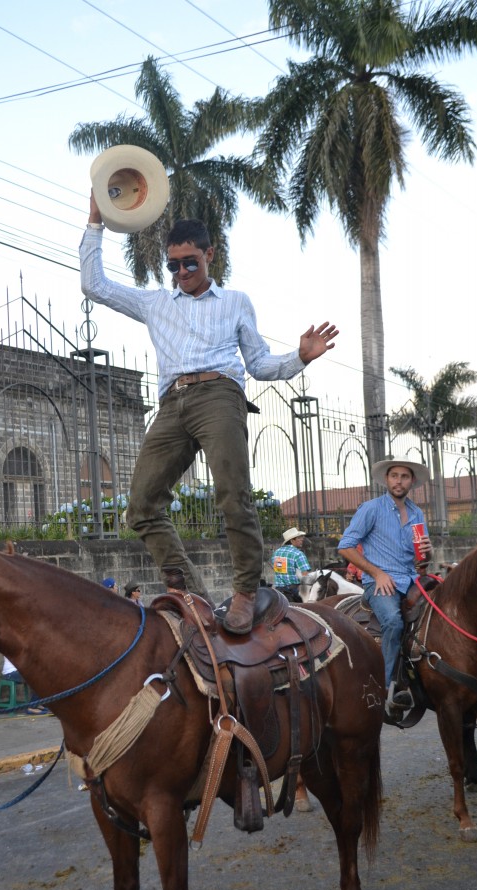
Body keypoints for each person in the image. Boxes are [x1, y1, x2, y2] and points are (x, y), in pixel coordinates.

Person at [80, 200, 338, 634]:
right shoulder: (156, 303)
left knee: (232, 494)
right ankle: (189, 591)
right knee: (141, 505)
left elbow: (258, 364)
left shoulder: (236, 302)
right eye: (173, 266)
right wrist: (95, 221)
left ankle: (245, 591)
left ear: (209, 255)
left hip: (220, 393)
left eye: (190, 263)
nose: (181, 273)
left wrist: (299, 357)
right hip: (172, 402)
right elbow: (94, 284)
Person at [338, 458, 433, 715]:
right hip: (380, 582)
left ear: (411, 481)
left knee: (443, 610)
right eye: (394, 476)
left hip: (411, 578)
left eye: (404, 476)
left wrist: (427, 553)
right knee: (393, 621)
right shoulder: (371, 509)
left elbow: (420, 560)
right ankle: (386, 687)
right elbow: (345, 546)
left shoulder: (417, 513)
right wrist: (377, 573)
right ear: (387, 480)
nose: (398, 481)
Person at [271, 527, 311, 602]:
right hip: (294, 591)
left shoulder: (276, 553)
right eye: (299, 538)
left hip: (278, 590)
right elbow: (306, 576)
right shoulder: (298, 554)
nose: (302, 539)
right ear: (292, 540)